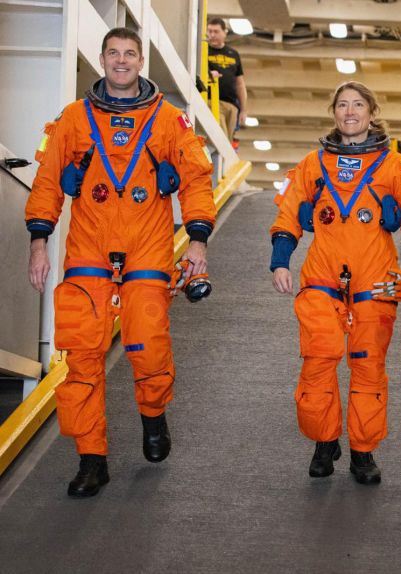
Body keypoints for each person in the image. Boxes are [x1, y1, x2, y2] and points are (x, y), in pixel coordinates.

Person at [25, 27, 216, 497]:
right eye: (113, 53)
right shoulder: (74, 118)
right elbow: (48, 181)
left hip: (147, 248)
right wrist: (38, 242)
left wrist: (197, 241)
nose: (122, 61)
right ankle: (92, 459)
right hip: (88, 249)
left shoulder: (168, 120)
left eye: (130, 53)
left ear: (140, 61)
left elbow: (195, 179)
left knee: (148, 345)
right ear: (103, 58)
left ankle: (153, 415)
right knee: (82, 359)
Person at [269, 81, 401, 485]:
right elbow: (288, 211)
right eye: (342, 105)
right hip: (322, 277)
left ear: (372, 113)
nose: (349, 112)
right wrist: (280, 262)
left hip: (375, 281)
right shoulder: (313, 164)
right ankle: (324, 441)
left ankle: (363, 450)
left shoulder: (394, 166)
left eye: (358, 104)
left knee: (367, 367)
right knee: (318, 359)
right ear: (333, 112)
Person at [206, 17, 247, 142]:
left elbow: (240, 84)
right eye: (210, 31)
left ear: (225, 32)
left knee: (228, 142)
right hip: (212, 101)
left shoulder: (233, 54)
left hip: (231, 105)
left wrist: (243, 110)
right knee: (221, 137)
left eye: (216, 31)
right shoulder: (203, 51)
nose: (212, 35)